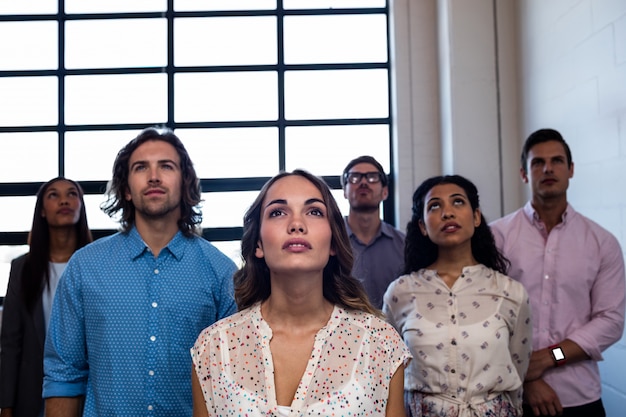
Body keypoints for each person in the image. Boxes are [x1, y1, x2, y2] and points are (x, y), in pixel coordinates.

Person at [42, 127, 237, 417]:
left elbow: (234, 383)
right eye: (141, 167)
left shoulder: (221, 272)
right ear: (126, 189)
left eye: (166, 166)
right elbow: (64, 375)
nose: (154, 176)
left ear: (185, 184)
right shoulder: (85, 267)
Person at [191, 169, 411, 417]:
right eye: (277, 212)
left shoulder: (380, 343)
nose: (296, 224)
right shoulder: (213, 347)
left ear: (333, 244)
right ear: (259, 244)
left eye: (314, 212)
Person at [490, 128, 625, 417]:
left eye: (557, 161)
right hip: (511, 397)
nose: (548, 168)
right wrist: (530, 376)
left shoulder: (602, 242)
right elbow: (486, 315)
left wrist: (551, 358)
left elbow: (611, 321)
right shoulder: (497, 237)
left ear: (571, 170)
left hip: (579, 398)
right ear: (524, 174)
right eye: (538, 162)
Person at [383, 174, 532, 417]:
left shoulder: (510, 292)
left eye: (458, 202)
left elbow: (518, 366)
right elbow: (388, 372)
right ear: (422, 225)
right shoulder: (400, 292)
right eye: (434, 206)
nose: (447, 213)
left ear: (476, 217)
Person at [0, 178, 92, 417]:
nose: (64, 200)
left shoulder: (95, 266)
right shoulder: (23, 268)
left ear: (81, 206)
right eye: (53, 195)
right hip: (31, 395)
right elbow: (10, 343)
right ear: (41, 210)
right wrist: (6, 404)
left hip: (86, 392)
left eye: (72, 194)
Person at [341, 155, 405, 308]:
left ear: (385, 192)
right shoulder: (329, 240)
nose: (363, 182)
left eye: (372, 177)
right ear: (344, 191)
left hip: (391, 330)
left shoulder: (404, 245)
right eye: (355, 178)